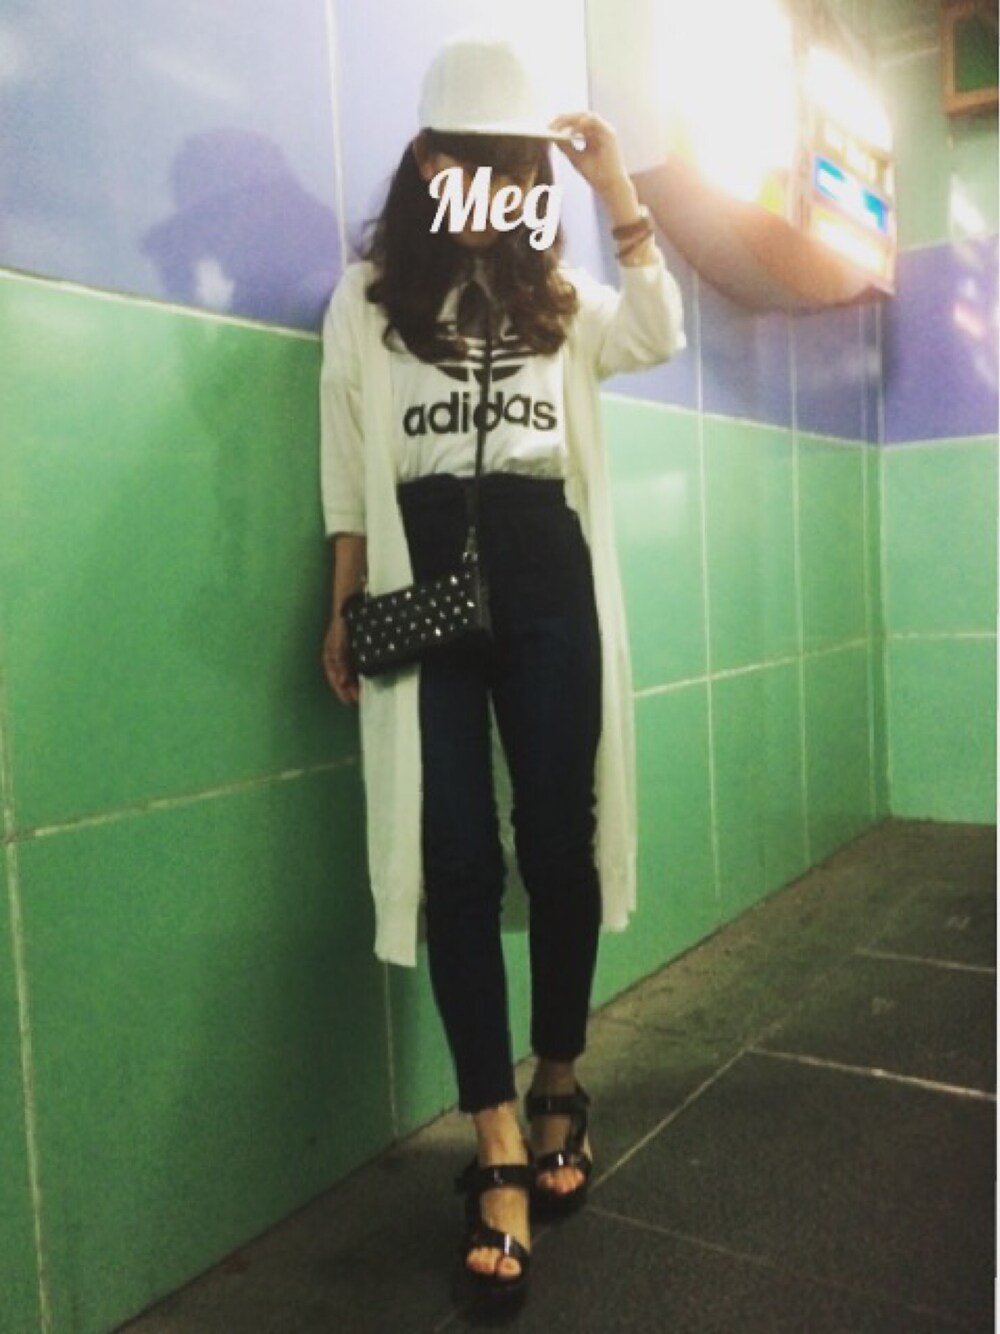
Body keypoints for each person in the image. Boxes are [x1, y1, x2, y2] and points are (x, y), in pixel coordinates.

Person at [320, 34, 685, 1303]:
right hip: (422, 563)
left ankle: (559, 1080)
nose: (502, 186)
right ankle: (494, 1141)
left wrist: (615, 190)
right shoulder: (369, 296)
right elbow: (346, 450)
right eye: (480, 162)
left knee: (556, 834)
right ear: (431, 165)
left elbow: (660, 330)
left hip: (540, 555)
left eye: (518, 167)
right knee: (457, 852)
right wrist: (344, 595)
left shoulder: (561, 295)